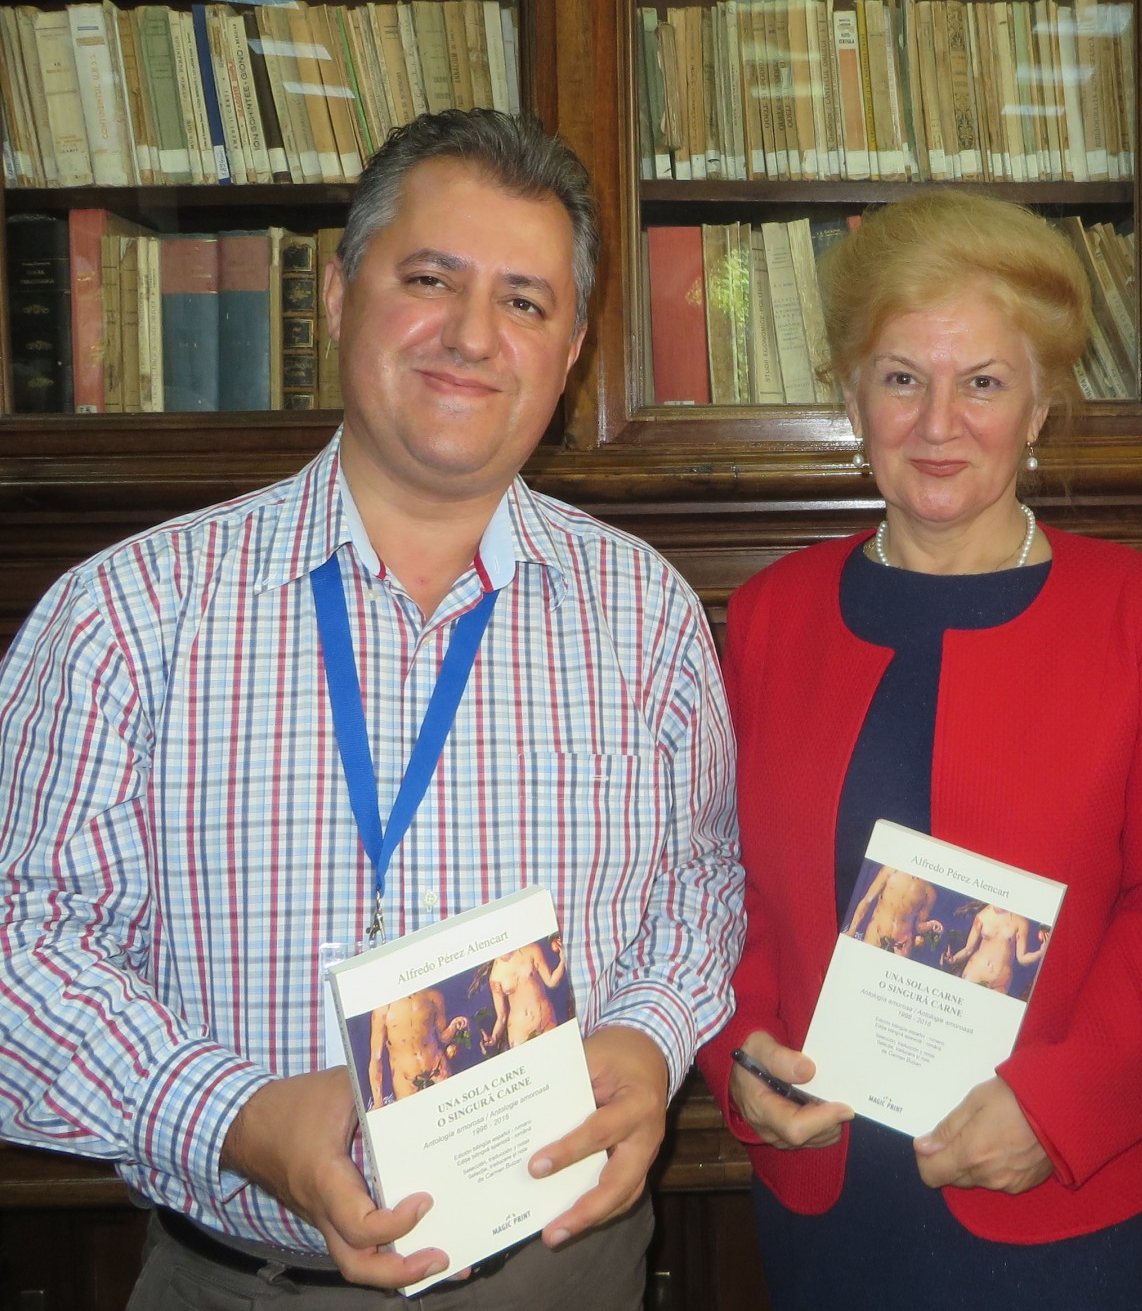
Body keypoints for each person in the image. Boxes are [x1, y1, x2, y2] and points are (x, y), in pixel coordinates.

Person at [0, 109, 745, 1307]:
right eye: (428, 278)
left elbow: (702, 884)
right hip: (246, 1278)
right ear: (341, 296)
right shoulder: (125, 613)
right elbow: (17, 945)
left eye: (523, 300)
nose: (468, 335)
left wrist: (648, 1040)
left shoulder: (645, 611)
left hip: (564, 1266)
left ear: (571, 350)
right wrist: (230, 1115)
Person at [698, 189, 1142, 1310]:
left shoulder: (1140, 616)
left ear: (1040, 404)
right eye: (902, 377)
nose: (937, 422)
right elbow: (729, 886)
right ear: (850, 394)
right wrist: (739, 1054)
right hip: (830, 1185)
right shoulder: (769, 615)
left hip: (1068, 1199)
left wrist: (1055, 1110)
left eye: (983, 382)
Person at [369, 991, 469, 1105]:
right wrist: (378, 1102)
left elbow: (443, 1037)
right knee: (415, 1118)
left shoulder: (433, 996)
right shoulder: (382, 1010)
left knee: (453, 1107)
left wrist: (454, 1025)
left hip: (437, 1068)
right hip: (406, 1080)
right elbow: (376, 1059)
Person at [484, 936, 570, 1052]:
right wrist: (494, 1037)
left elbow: (551, 982)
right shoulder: (495, 976)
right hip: (520, 1033)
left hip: (546, 1020)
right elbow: (501, 1016)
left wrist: (563, 960)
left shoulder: (531, 950)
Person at [942, 905, 1047, 995]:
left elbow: (1022, 959)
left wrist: (1041, 952)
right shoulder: (982, 916)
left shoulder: (1021, 922)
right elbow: (968, 949)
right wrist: (954, 959)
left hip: (1000, 981)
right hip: (975, 973)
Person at [844, 863, 944, 957]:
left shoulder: (929, 892)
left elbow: (919, 926)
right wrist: (852, 930)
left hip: (902, 944)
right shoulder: (890, 871)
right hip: (876, 934)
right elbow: (867, 901)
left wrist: (931, 924)